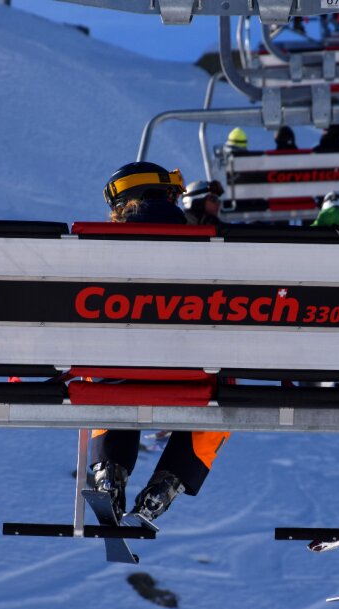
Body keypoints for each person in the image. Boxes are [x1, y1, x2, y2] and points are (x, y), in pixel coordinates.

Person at [91, 161, 230, 524]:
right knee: (223, 398)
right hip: (187, 376)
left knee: (106, 382)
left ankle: (109, 470)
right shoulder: (211, 247)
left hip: (113, 372)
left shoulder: (90, 248)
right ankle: (169, 482)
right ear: (168, 196)